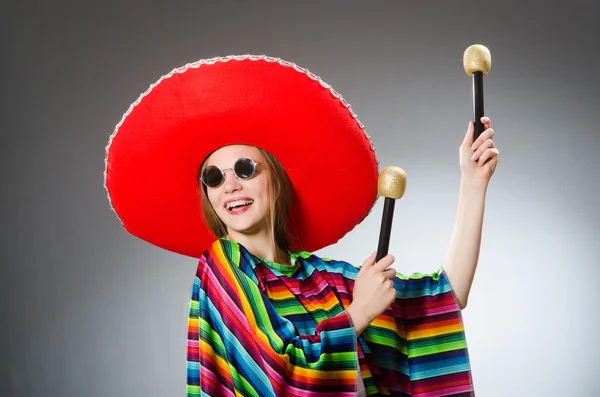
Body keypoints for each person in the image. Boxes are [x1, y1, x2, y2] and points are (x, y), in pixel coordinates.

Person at [104, 55, 499, 396]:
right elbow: (278, 375)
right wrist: (358, 313)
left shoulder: (322, 281)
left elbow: (446, 298)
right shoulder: (221, 269)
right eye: (213, 177)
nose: (231, 186)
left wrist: (472, 183)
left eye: (244, 168)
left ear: (274, 177)